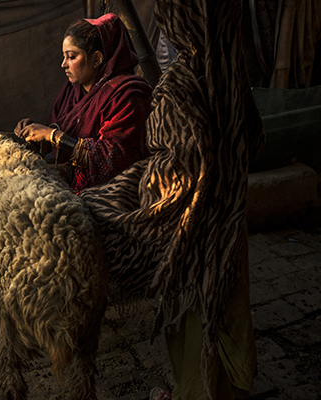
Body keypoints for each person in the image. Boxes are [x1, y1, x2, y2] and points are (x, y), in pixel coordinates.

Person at [80, 0, 264, 399]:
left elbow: (176, 175)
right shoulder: (232, 73)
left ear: (183, 23)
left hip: (191, 236)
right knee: (227, 307)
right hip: (229, 225)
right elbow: (253, 141)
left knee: (195, 319)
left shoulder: (179, 84)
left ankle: (195, 392)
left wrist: (121, 197)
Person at [15, 13, 153, 193]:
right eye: (64, 57)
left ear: (96, 59)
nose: (63, 64)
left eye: (71, 57)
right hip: (74, 184)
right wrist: (34, 133)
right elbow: (63, 131)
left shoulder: (126, 96)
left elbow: (114, 158)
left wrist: (52, 136)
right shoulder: (72, 92)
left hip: (116, 192)